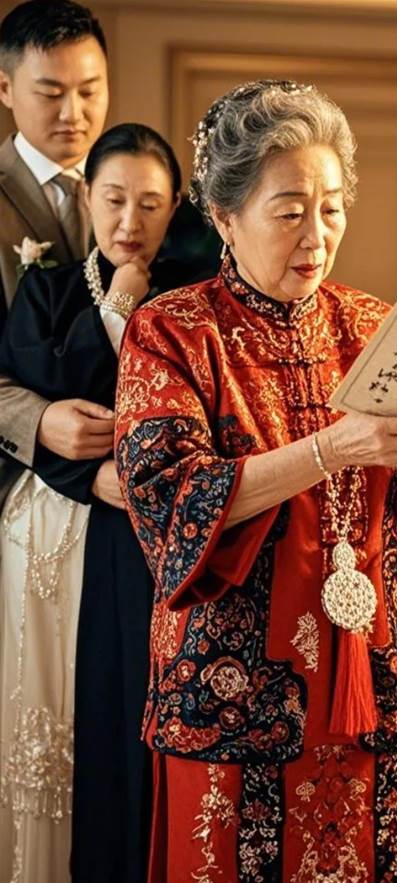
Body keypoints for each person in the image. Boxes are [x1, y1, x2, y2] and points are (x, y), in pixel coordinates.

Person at [114, 79, 397, 881]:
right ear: (224, 216)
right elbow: (171, 501)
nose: (317, 235)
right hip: (238, 687)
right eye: (289, 212)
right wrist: (330, 449)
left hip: (374, 672)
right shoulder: (173, 332)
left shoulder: (377, 326)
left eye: (332, 208)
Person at [0, 123, 201, 883]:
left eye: (150, 204)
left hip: (148, 535)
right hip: (53, 527)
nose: (128, 222)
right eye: (114, 199)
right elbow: (41, 391)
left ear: (175, 205)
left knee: (130, 709)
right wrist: (115, 307)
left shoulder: (194, 295)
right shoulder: (48, 287)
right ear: (87, 195)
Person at [0, 0, 114, 519]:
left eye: (89, 91)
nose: (74, 113)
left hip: (124, 489)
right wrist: (39, 422)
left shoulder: (139, 186)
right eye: (50, 93)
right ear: (5, 88)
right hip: (16, 489)